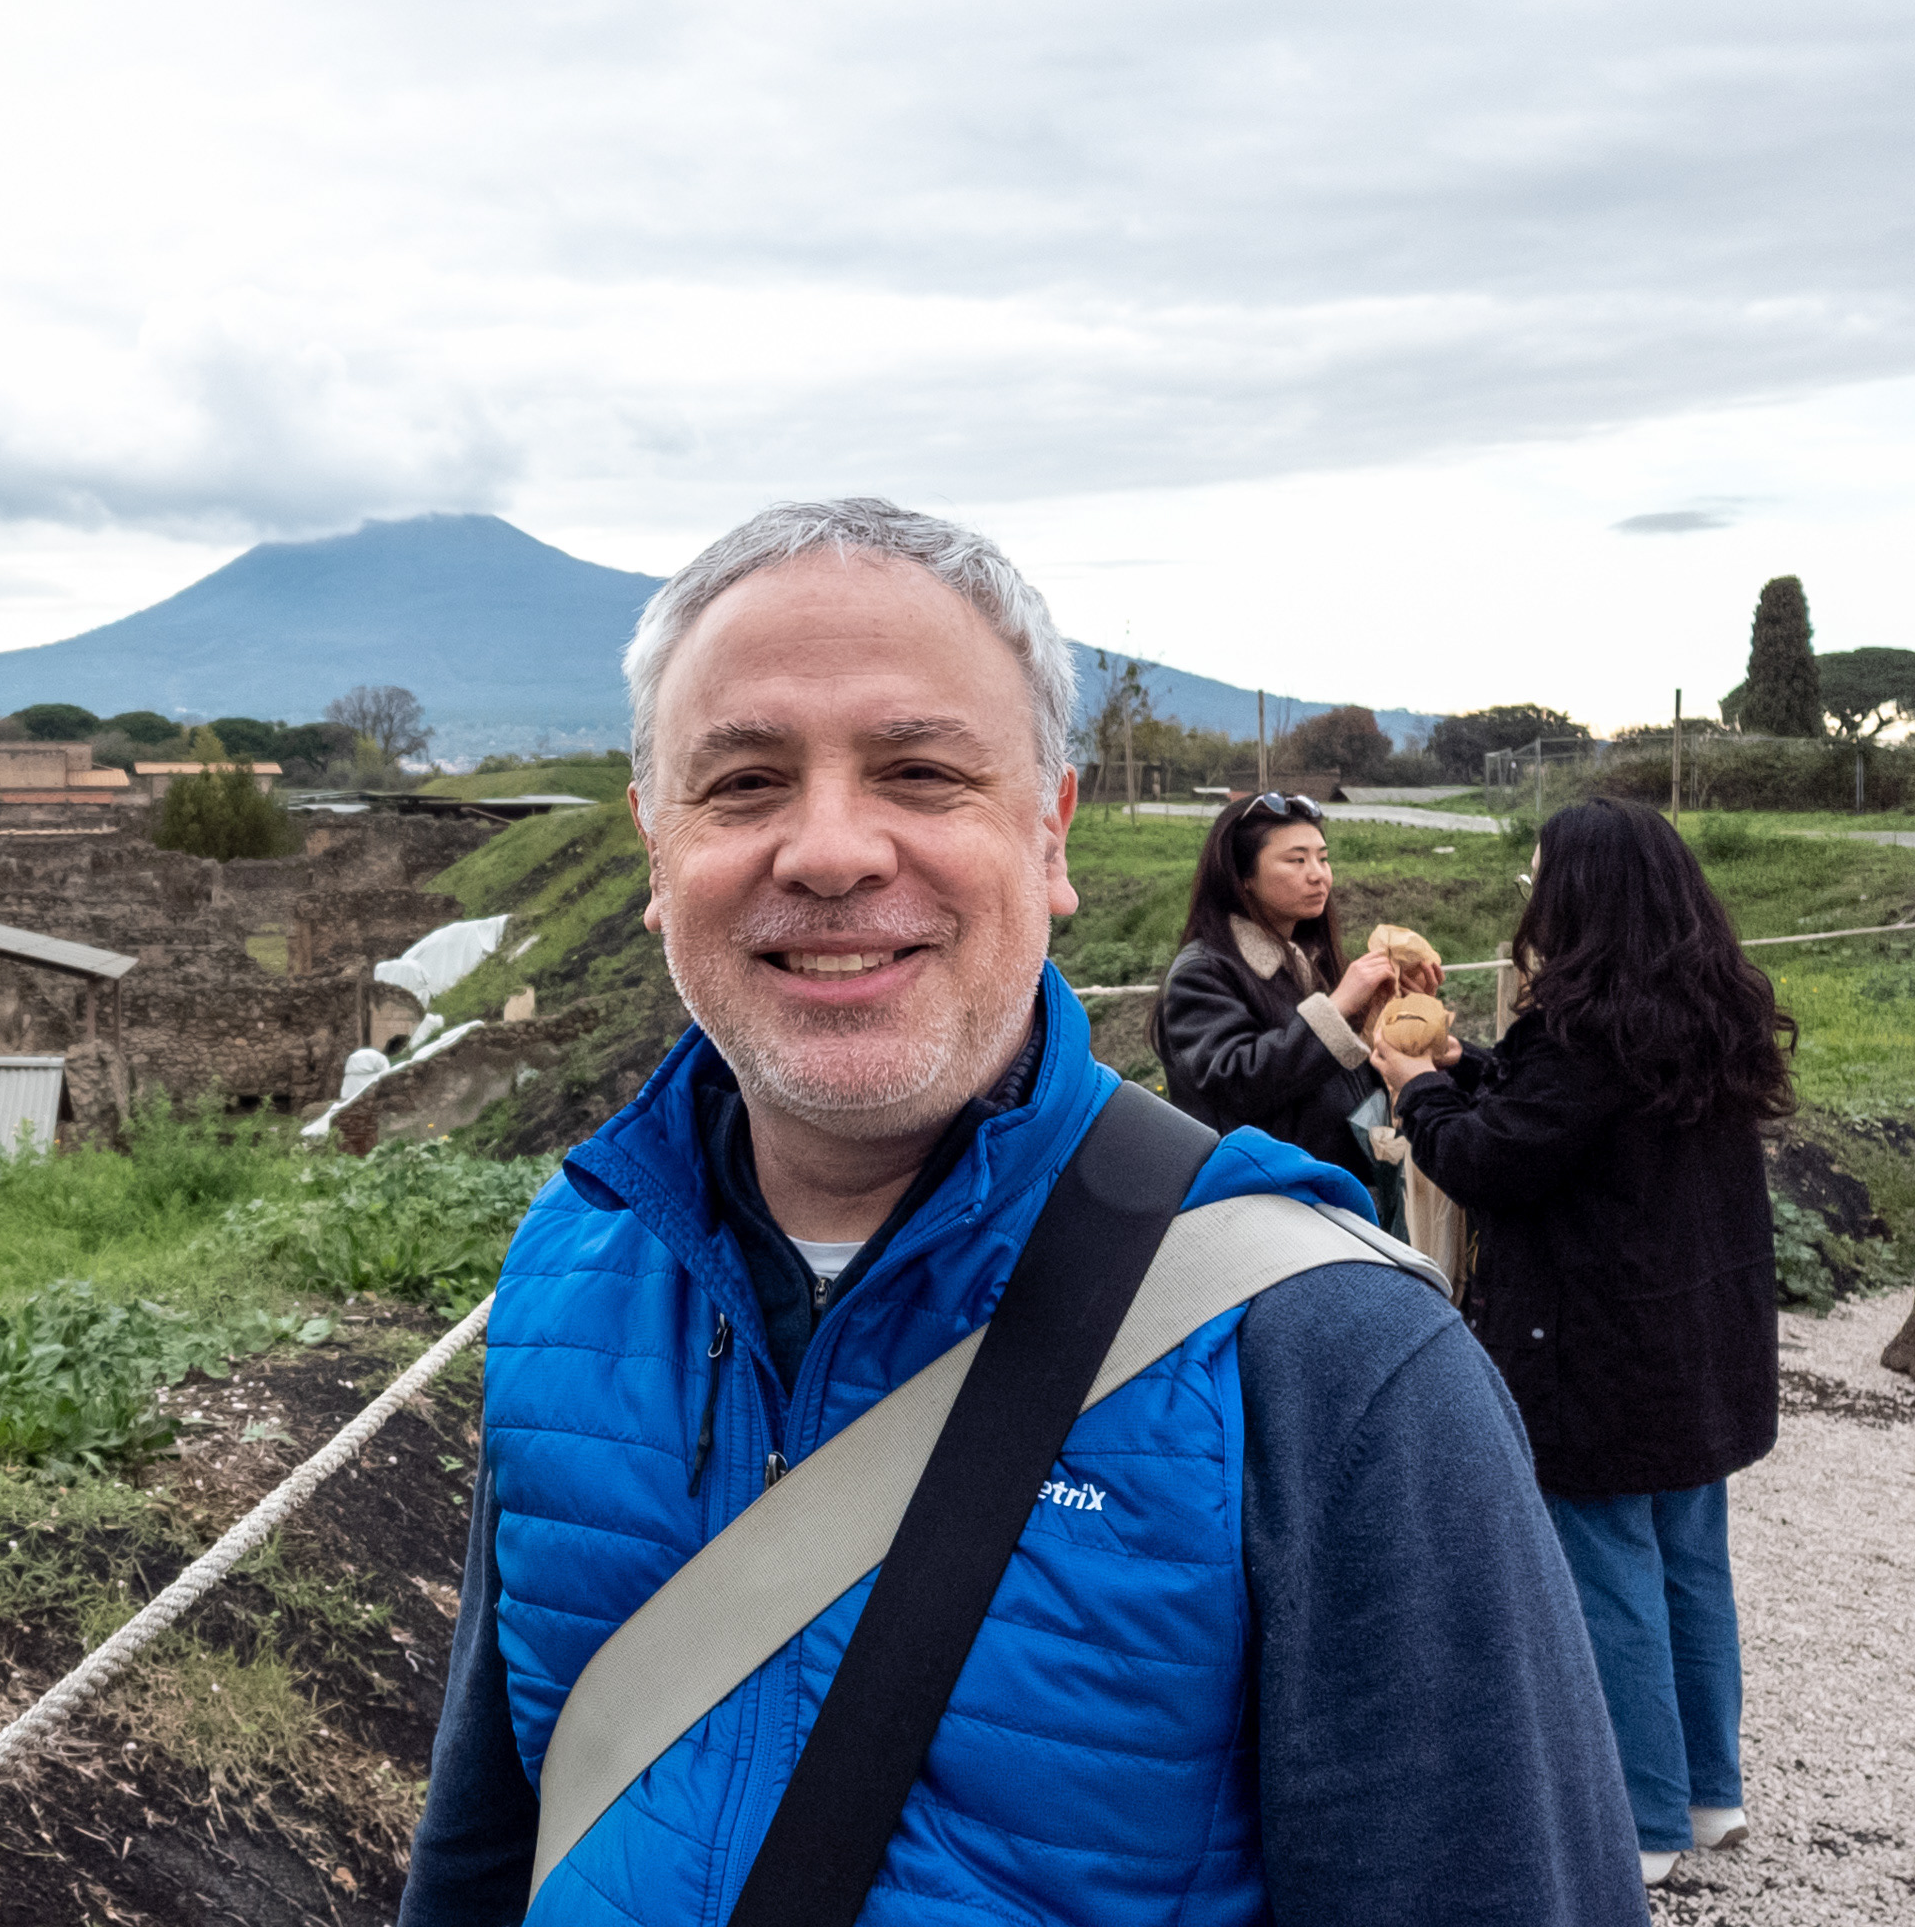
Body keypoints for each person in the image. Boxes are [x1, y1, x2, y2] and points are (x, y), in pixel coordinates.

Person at [398, 499, 1643, 1927]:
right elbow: (486, 1850)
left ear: (1048, 834)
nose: (827, 852)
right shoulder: (573, 1268)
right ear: (655, 849)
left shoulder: (1336, 1365)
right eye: (741, 784)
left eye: (921, 771)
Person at [1373, 795, 1787, 1889]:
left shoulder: (1582, 1029)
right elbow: (1543, 1118)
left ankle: (1639, 1823)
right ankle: (1706, 1794)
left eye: (1541, 878)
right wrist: (1464, 1069)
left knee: (1607, 1573)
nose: (1531, 899)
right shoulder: (1709, 1008)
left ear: (1581, 895)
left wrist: (1416, 1092)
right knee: (1691, 1565)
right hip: (1701, 1340)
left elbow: (1494, 1163)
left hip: (1600, 1348)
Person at [1154, 793, 1415, 1207]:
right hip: (1265, 1204)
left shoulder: (1309, 959)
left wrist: (1394, 1009)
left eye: (1323, 858)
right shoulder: (1202, 972)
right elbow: (1238, 1082)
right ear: (1244, 878)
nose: (1319, 875)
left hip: (1333, 1194)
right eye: (1297, 860)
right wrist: (1338, 1006)